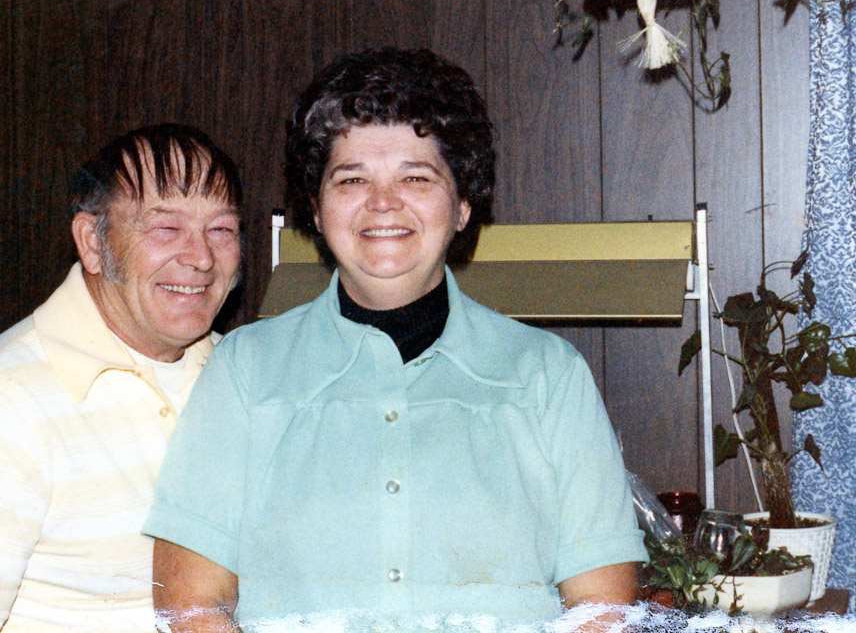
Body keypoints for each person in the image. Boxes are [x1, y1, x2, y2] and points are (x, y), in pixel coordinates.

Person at [144, 49, 647, 632]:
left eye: (415, 177)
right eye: (352, 179)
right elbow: (189, 603)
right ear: (316, 208)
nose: (383, 202)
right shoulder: (244, 369)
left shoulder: (549, 376)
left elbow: (604, 609)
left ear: (462, 205)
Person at [0, 124, 243, 633]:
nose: (201, 257)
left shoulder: (242, 375)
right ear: (92, 243)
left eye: (222, 230)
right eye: (166, 229)